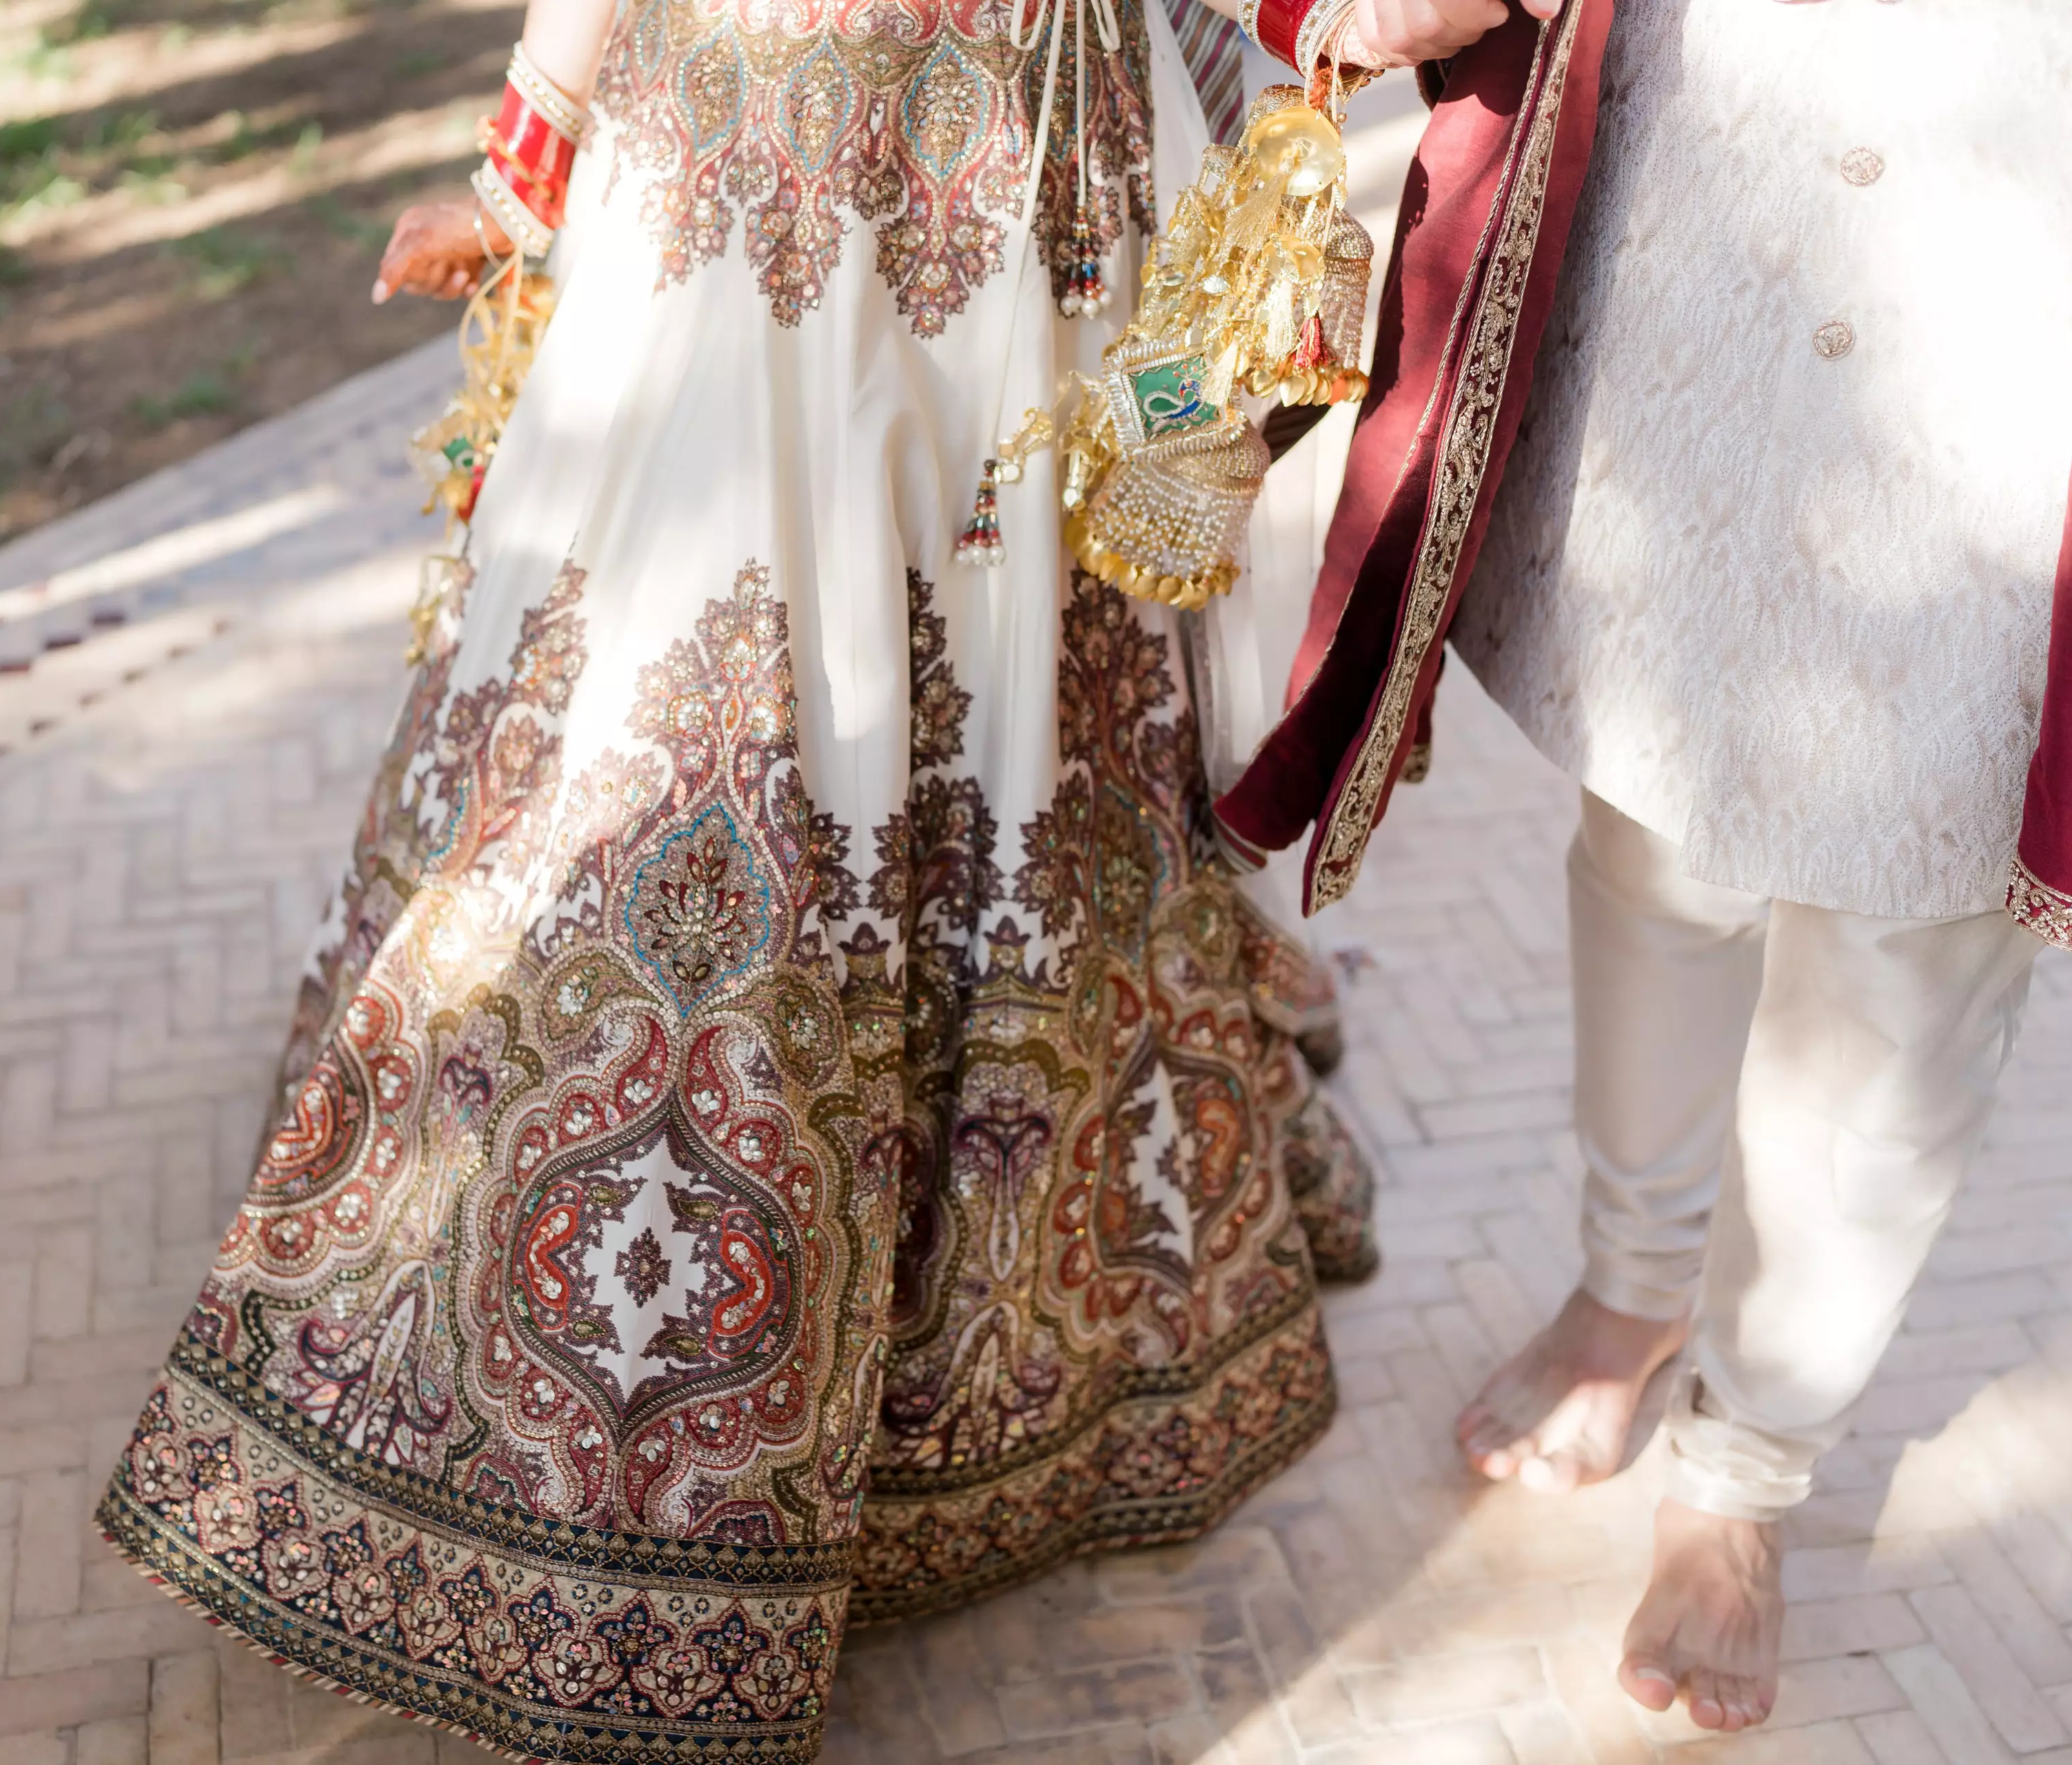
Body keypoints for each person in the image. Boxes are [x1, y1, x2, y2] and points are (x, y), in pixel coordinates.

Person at [94, 0, 1394, 1754]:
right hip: (877, 160)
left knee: (846, 664)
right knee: (760, 692)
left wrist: (531, 153)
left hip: (928, 147)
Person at [1215, 0, 2072, 1737]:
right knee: (1660, 817)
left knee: (1918, 918)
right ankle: (1630, 1286)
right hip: (1738, 153)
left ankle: (1745, 1470)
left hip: (2051, 214)